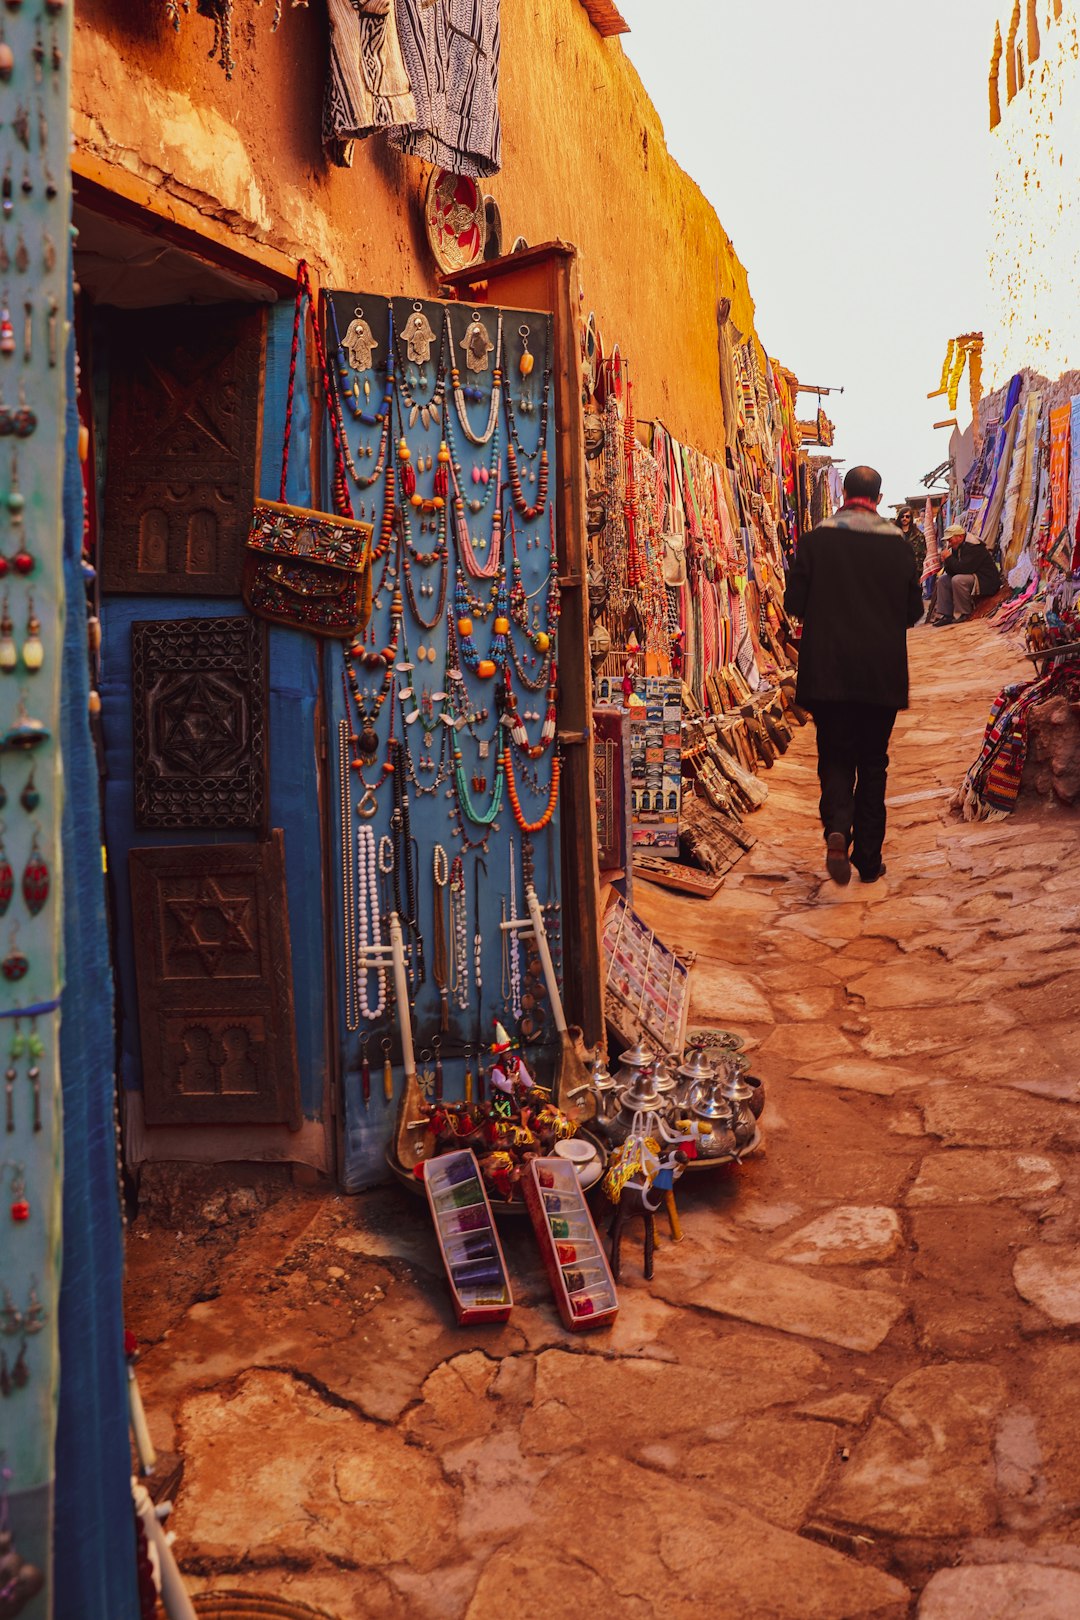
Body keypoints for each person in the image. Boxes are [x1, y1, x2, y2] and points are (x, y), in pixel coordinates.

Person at [784, 464, 923, 886]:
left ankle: (837, 829)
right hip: (880, 676)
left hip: (827, 672)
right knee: (873, 762)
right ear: (879, 499)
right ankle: (868, 858)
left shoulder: (815, 541)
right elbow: (913, 612)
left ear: (844, 493)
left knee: (836, 757)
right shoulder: (898, 546)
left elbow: (794, 603)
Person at [930, 524, 1001, 625]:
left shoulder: (973, 547)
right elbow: (953, 571)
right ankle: (946, 615)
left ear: (960, 537)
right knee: (943, 580)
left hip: (985, 580)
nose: (949, 543)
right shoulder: (957, 546)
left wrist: (949, 559)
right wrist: (946, 561)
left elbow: (964, 569)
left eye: (950, 540)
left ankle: (963, 613)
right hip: (971, 575)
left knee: (958, 580)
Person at [895, 504, 927, 574]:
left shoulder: (918, 535)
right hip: (897, 570)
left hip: (914, 570)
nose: (904, 518)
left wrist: (919, 568)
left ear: (911, 518)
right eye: (902, 516)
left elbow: (923, 553)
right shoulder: (894, 534)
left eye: (907, 516)